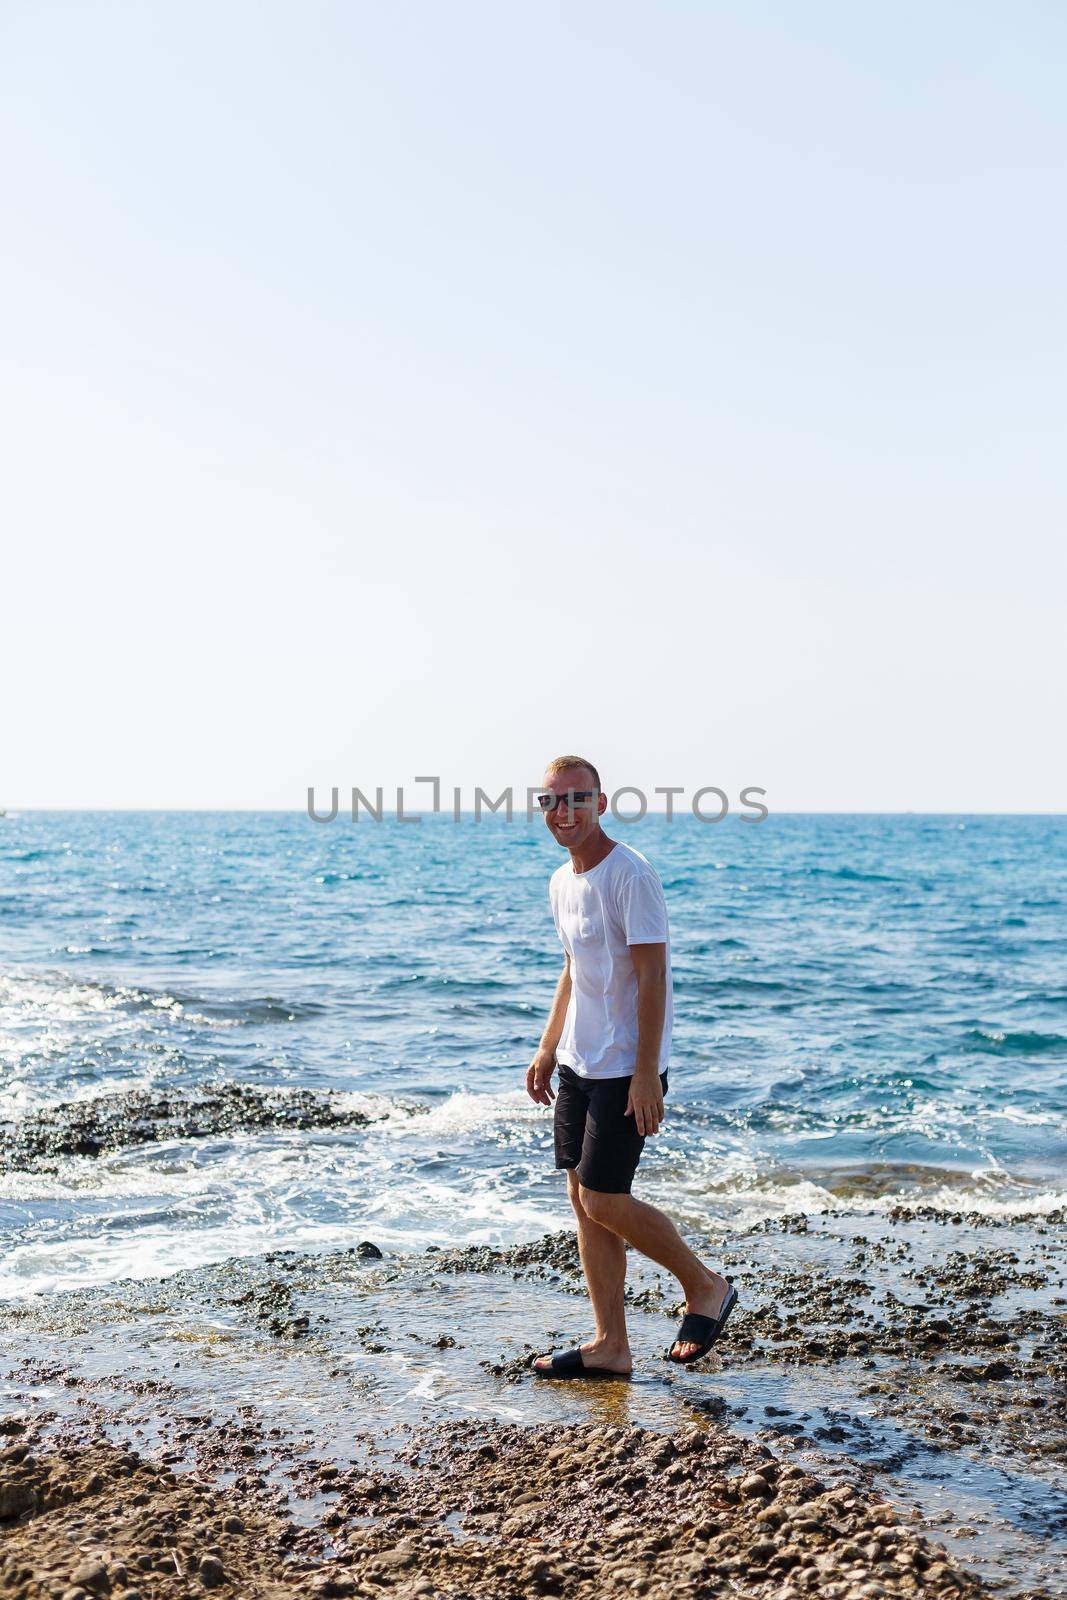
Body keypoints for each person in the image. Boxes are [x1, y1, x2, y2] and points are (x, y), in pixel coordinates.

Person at [525, 755, 738, 1377]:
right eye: (551, 801)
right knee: (581, 1198)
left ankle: (705, 1287)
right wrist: (547, 1045)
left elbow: (653, 976)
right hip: (577, 1063)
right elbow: (573, 969)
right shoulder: (561, 882)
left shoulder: (631, 874)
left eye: (576, 799)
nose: (563, 812)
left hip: (624, 1065)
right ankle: (611, 1345)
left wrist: (648, 1072)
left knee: (604, 1199)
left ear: (601, 801)